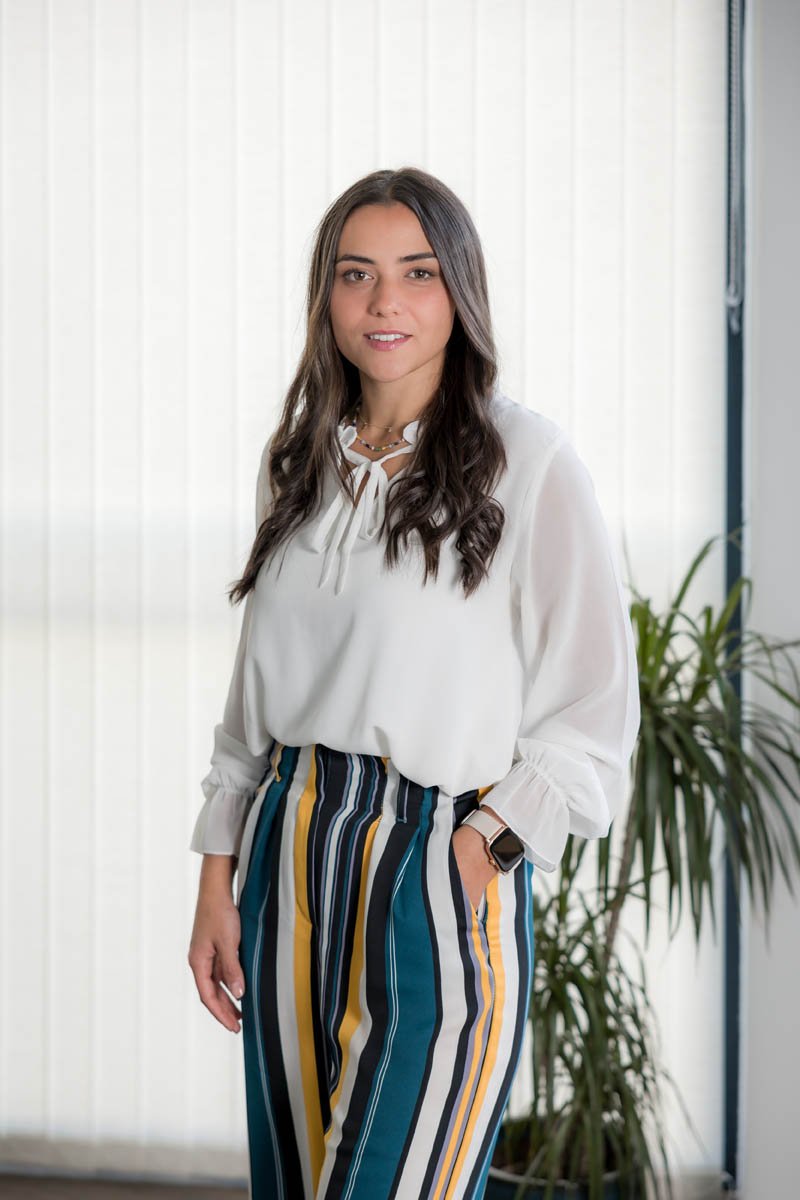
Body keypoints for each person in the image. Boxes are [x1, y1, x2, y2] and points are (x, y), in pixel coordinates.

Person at [187, 166, 640, 1200]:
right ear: (326, 296)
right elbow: (250, 700)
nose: (383, 301)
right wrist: (218, 878)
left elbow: (591, 712)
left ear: (459, 289)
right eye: (356, 274)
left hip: (433, 853)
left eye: (417, 273)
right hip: (287, 847)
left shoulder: (527, 461)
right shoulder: (296, 462)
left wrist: (474, 856)